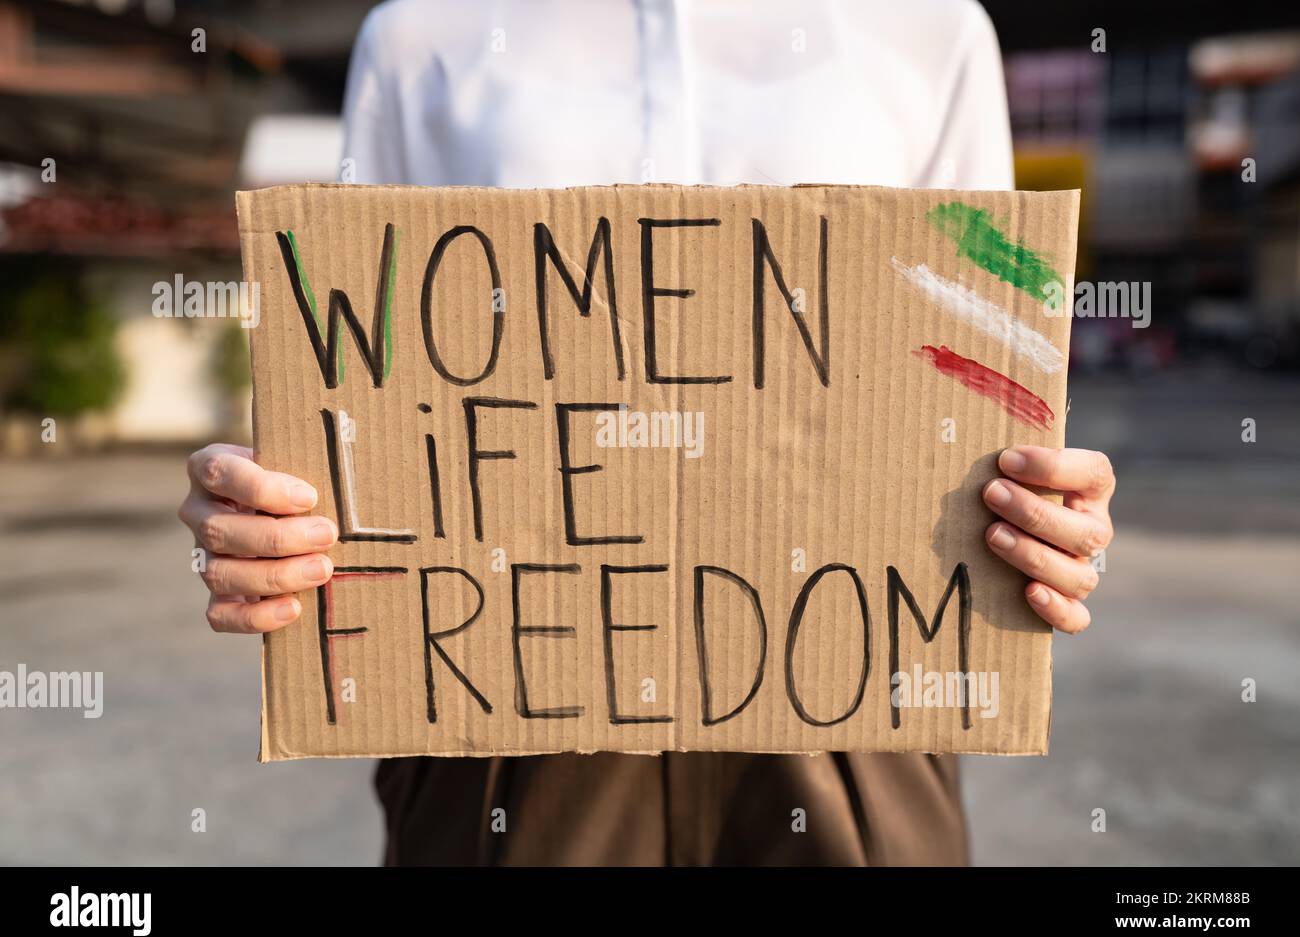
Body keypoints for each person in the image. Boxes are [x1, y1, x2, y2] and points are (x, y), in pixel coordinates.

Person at [178, 0, 1115, 865]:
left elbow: (987, 379)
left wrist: (1049, 514)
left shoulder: (927, 27)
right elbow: (360, 380)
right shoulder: (425, 32)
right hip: (506, 719)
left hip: (849, 708)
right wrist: (268, 511)